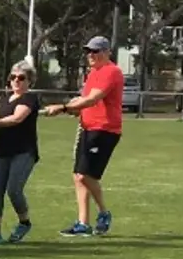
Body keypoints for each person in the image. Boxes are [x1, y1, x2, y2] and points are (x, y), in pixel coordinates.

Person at [43, 36, 124, 237]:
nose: (91, 55)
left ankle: (104, 213)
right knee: (78, 176)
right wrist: (71, 108)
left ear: (107, 53)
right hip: (88, 128)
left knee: (85, 175)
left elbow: (93, 99)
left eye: (95, 51)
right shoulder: (93, 74)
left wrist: (62, 107)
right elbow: (85, 101)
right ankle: (83, 223)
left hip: (104, 130)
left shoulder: (110, 71)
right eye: (88, 51)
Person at [0, 60, 42, 244]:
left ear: (30, 81)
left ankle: (24, 222)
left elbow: (16, 119)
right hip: (2, 149)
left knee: (14, 189)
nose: (16, 81)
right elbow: (0, 118)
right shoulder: (6, 99)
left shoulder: (29, 99)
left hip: (23, 151)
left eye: (21, 78)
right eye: (13, 77)